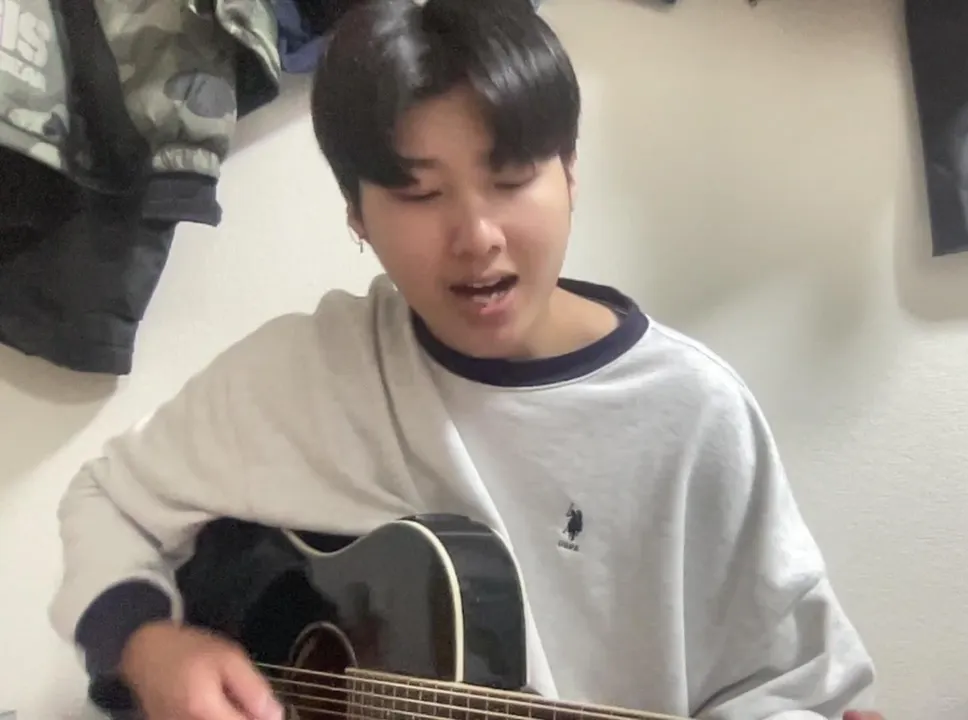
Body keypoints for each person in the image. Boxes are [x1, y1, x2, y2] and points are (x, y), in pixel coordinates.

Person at [47, 0, 878, 718]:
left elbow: (792, 681)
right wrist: (147, 646)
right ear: (357, 215)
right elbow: (108, 498)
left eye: (511, 179)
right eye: (419, 194)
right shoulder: (308, 375)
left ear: (571, 172)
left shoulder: (692, 416)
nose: (476, 236)